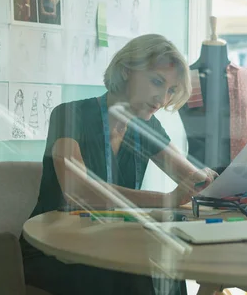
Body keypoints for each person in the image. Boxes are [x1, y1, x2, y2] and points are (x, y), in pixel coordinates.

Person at [20, 34, 220, 295]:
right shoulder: (69, 114)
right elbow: (79, 192)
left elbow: (192, 179)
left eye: (170, 90)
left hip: (111, 243)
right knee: (134, 274)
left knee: (167, 271)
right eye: (157, 82)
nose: (162, 97)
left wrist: (240, 182)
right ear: (127, 70)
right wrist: (167, 199)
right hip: (55, 248)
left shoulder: (146, 126)